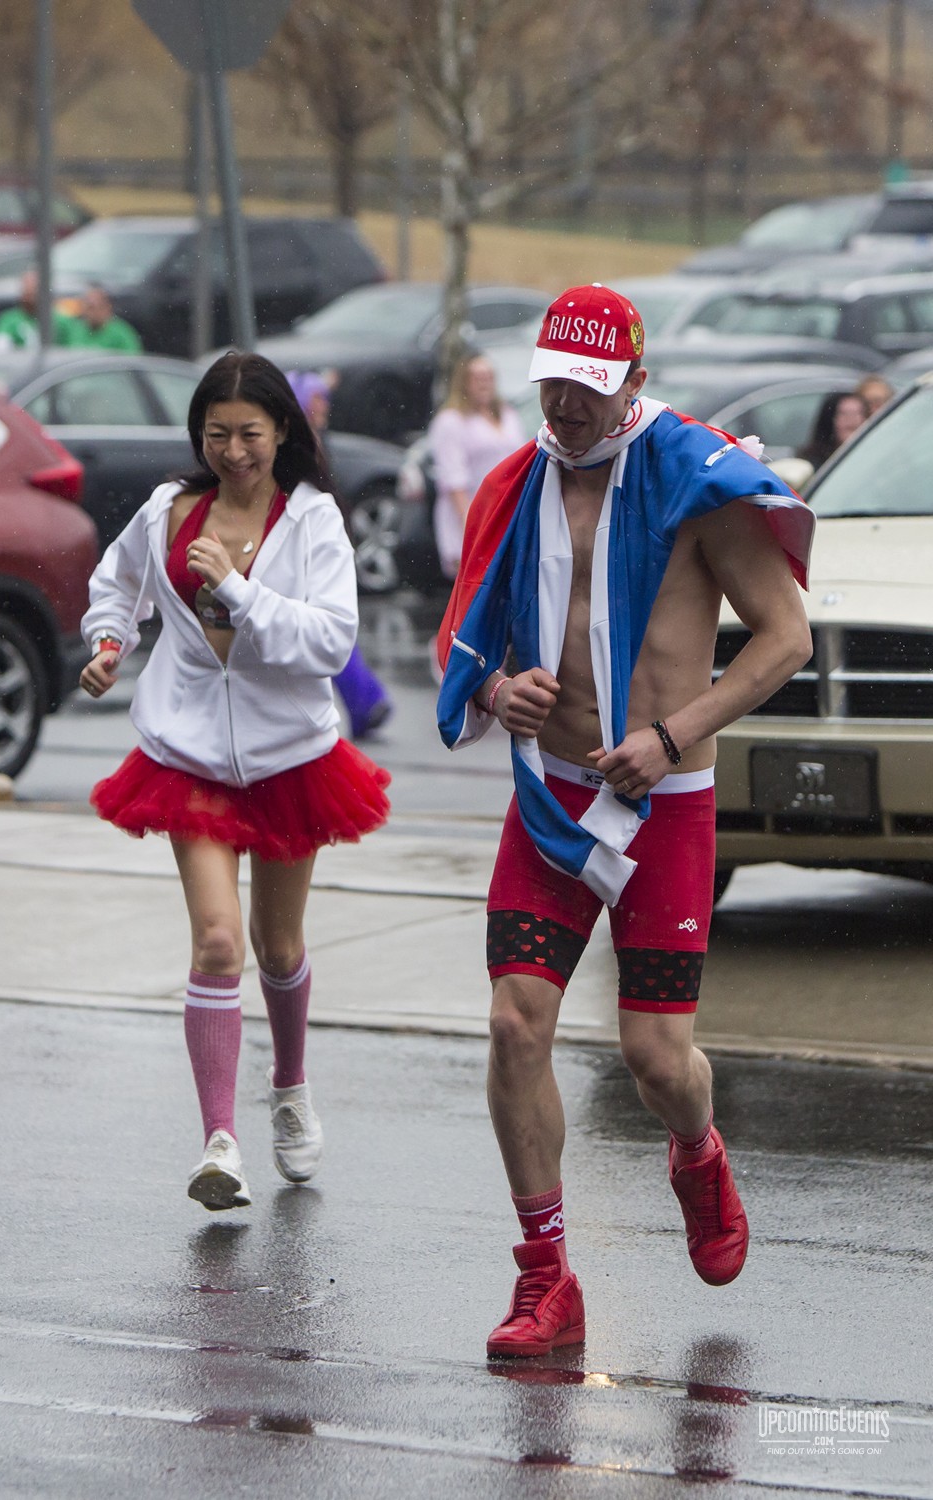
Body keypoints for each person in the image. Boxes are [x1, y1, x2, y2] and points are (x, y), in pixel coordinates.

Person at [436, 284, 814, 1358]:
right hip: (550, 798)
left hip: (664, 805)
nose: (561, 406)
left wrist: (672, 733)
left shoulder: (694, 486)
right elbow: (471, 633)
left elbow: (784, 639)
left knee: (657, 1061)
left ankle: (696, 1152)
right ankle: (546, 1276)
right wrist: (498, 686)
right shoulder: (514, 489)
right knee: (516, 1026)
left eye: (586, 390)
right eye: (550, 384)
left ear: (634, 386)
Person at [79, 352, 391, 1211]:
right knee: (217, 942)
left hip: (290, 755)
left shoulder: (314, 520)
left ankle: (289, 1086)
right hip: (190, 754)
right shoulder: (168, 510)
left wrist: (240, 591)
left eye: (250, 434)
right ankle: (220, 1142)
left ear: (282, 431)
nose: (233, 451)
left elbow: (329, 643)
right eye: (216, 435)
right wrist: (108, 643)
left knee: (277, 946)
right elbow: (119, 589)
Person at [287, 369, 393, 739]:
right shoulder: (298, 441)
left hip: (322, 542)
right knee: (324, 630)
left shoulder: (311, 437)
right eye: (316, 398)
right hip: (307, 545)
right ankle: (366, 701)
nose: (324, 406)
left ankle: (367, 701)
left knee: (327, 628)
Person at [429, 353, 525, 580]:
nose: (484, 383)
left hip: (508, 513)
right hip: (472, 514)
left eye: (489, 377)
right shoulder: (451, 421)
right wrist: (471, 528)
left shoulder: (508, 415)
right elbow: (454, 481)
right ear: (464, 382)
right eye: (477, 377)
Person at [0, 268, 78, 350]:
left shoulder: (62, 321)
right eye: (26, 289)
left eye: (34, 289)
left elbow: (73, 350)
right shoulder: (8, 319)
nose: (30, 294)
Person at [795, 390, 867, 472]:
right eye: (843, 413)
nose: (851, 419)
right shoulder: (809, 464)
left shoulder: (874, 456)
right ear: (830, 419)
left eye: (858, 413)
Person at [68, 283, 143, 351]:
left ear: (107, 307)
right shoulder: (74, 329)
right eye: (87, 307)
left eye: (94, 306)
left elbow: (131, 361)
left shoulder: (122, 334)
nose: (90, 312)